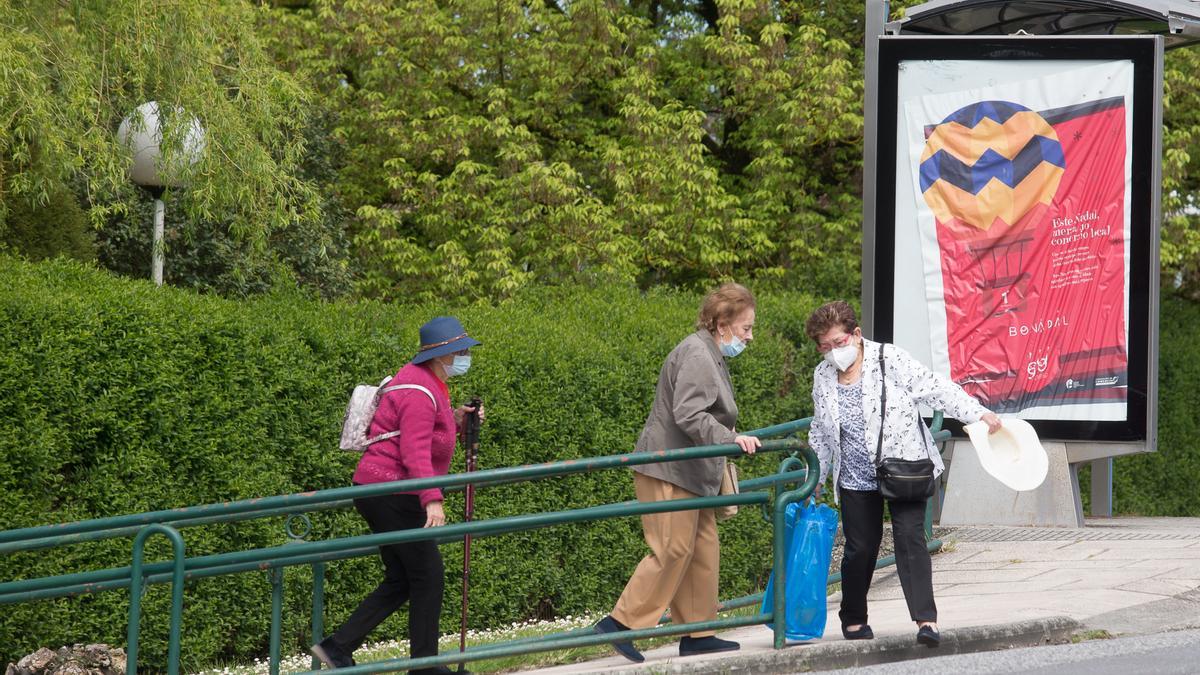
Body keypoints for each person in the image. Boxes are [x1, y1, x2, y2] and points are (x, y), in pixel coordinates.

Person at [805, 301, 1001, 648]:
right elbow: (820, 430)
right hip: (854, 475)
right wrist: (815, 477)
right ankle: (853, 619)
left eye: (838, 343)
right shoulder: (822, 375)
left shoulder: (888, 359)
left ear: (856, 335)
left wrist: (977, 414)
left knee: (911, 541)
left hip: (903, 468)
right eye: (824, 346)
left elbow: (935, 387)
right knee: (859, 549)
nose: (832, 353)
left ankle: (926, 621)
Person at [594, 283, 763, 662]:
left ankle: (698, 632)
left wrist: (726, 439)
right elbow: (689, 413)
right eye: (746, 328)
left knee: (703, 549)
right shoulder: (698, 354)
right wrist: (730, 439)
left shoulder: (708, 352)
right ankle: (619, 624)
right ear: (722, 324)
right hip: (668, 468)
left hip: (689, 470)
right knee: (672, 549)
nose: (750, 337)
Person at [312, 316, 482, 673]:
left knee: (404, 578)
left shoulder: (427, 382)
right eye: (460, 350)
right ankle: (424, 667)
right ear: (440, 355)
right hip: (393, 492)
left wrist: (459, 420)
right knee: (428, 575)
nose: (465, 356)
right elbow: (414, 450)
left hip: (383, 490)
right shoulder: (418, 389)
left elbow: (427, 432)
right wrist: (431, 498)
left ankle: (337, 647)